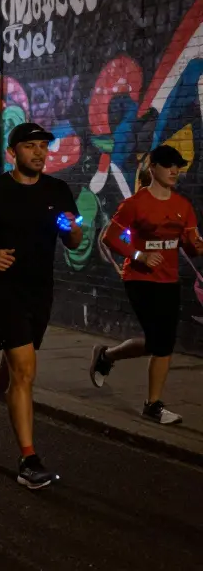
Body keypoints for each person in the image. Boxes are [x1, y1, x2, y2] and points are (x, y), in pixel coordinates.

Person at [0, 122, 82, 489]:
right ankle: (28, 459)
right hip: (3, 290)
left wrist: (72, 228)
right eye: (31, 146)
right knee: (24, 371)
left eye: (43, 146)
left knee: (10, 370)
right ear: (13, 152)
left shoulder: (58, 190)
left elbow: (74, 238)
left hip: (40, 290)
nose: (39, 152)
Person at [91, 144, 201, 424]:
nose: (174, 170)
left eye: (178, 165)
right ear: (153, 168)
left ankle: (108, 356)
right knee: (159, 341)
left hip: (169, 281)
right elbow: (110, 239)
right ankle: (152, 404)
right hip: (139, 279)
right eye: (168, 165)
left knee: (160, 344)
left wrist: (196, 244)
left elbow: (191, 246)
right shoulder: (134, 204)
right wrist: (139, 254)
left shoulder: (183, 206)